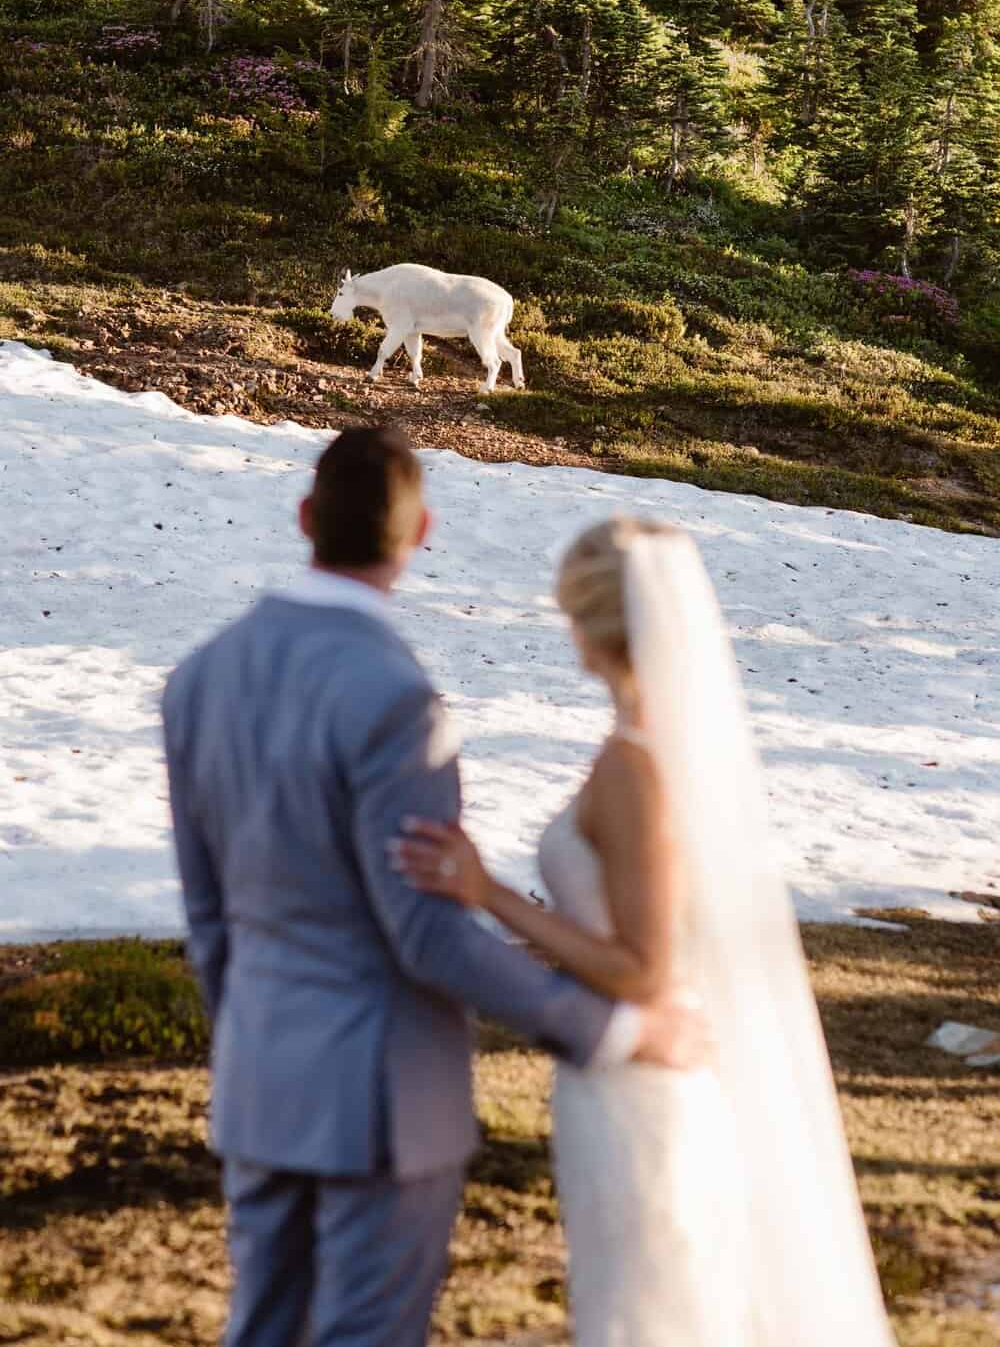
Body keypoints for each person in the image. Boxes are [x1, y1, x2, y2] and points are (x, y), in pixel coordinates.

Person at [161, 429, 702, 1347]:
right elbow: (427, 936)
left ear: (304, 519)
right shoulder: (398, 703)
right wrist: (612, 1029)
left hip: (259, 1080)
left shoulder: (195, 679)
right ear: (421, 534)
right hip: (380, 1100)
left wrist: (254, 1045)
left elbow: (208, 919)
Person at [397, 517, 898, 1347]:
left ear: (592, 626)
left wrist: (489, 892)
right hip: (620, 1081)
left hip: (642, 1089)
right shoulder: (647, 752)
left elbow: (644, 969)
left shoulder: (636, 767)